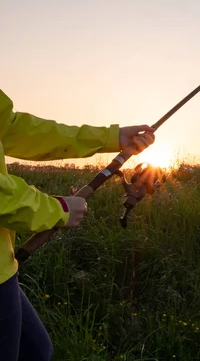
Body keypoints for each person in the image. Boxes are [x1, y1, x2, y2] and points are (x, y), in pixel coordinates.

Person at [0, 88, 155, 360]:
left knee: (37, 351)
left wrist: (109, 137)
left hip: (4, 270)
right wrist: (56, 209)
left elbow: (13, 128)